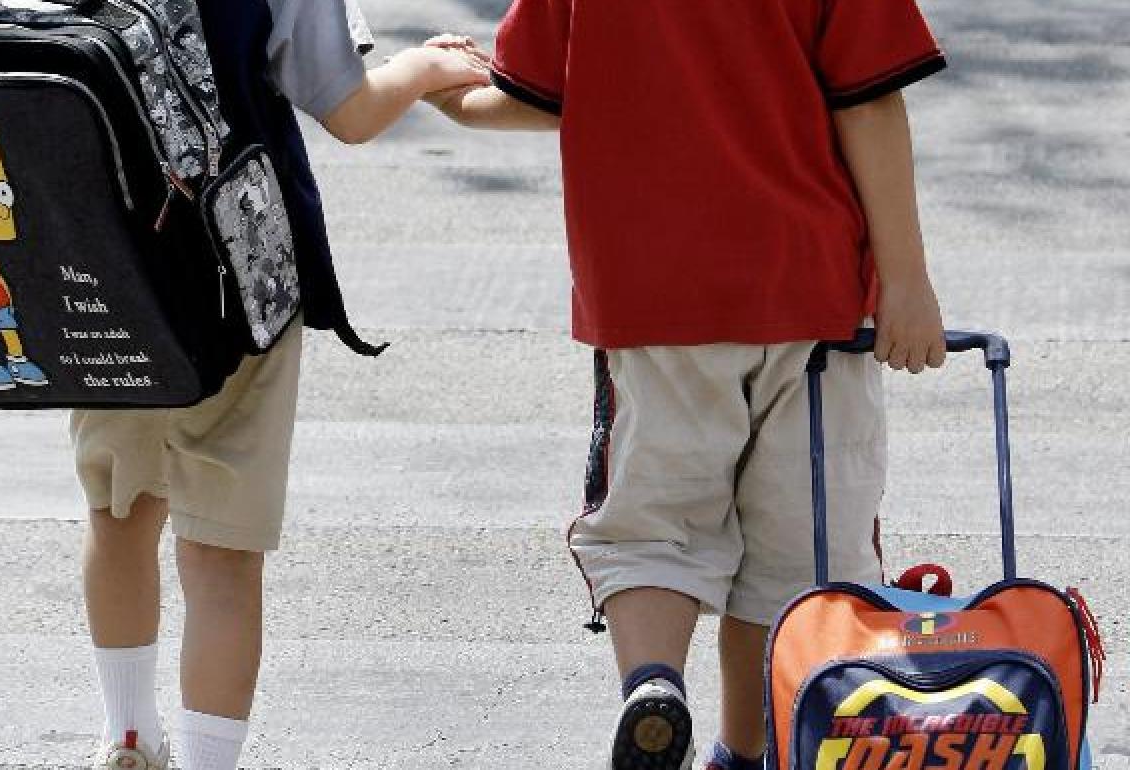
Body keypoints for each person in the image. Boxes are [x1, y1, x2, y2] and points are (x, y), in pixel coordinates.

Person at [424, 1, 949, 767]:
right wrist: (907, 281)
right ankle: (746, 748)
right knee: (800, 553)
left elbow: (536, 93)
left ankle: (654, 683)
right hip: (810, 293)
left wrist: (445, 91)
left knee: (651, 527)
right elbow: (868, 99)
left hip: (650, 298)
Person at [72, 2, 489, 769]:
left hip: (98, 277)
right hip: (234, 275)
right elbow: (351, 110)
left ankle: (127, 735)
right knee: (221, 549)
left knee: (120, 507)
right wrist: (429, 67)